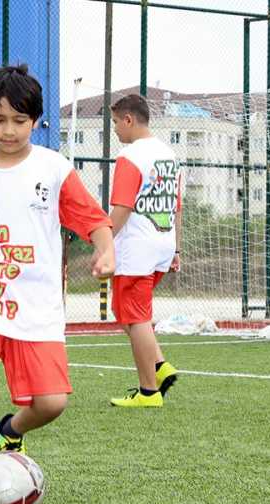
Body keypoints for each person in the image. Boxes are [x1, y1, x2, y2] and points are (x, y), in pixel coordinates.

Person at [0, 65, 115, 504]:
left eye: (19, 120)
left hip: (36, 304)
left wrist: (104, 250)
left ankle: (11, 429)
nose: (9, 130)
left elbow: (94, 219)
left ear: (35, 121)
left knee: (53, 403)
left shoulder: (54, 169)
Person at [106, 93, 182, 408]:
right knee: (126, 312)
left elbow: (122, 207)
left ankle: (149, 391)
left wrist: (104, 241)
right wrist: (177, 248)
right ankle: (160, 367)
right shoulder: (170, 155)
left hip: (137, 248)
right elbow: (177, 206)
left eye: (115, 123)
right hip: (163, 242)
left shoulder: (131, 157)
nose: (115, 131)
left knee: (135, 317)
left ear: (129, 119)